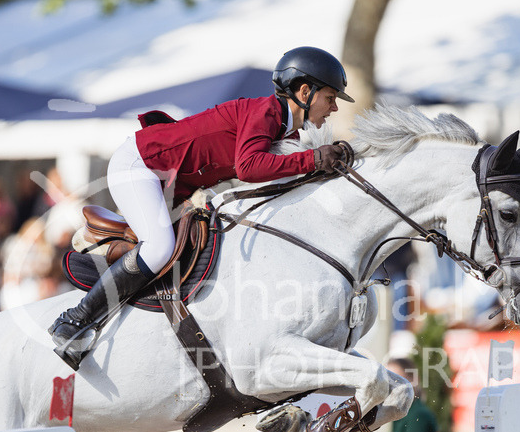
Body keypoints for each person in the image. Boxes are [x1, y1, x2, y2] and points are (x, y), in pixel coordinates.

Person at [49, 46, 354, 369]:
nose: (334, 108)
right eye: (330, 97)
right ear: (304, 92)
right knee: (159, 248)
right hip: (140, 166)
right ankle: (75, 321)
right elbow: (249, 167)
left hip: (171, 184)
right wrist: (313, 159)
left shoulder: (285, 128)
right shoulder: (265, 112)